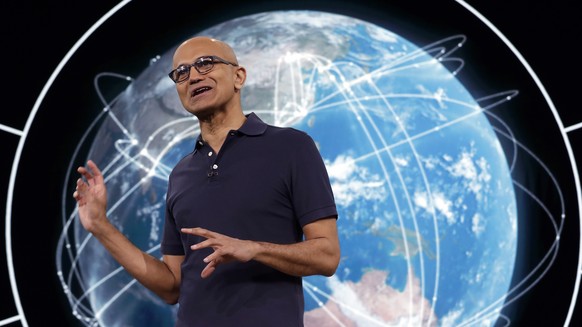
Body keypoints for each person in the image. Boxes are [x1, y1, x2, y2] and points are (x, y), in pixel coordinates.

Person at [73, 36, 340, 326]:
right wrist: (100, 226)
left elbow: (326, 256)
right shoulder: (180, 174)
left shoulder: (291, 146)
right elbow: (172, 286)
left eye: (205, 63)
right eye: (181, 72)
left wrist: (254, 249)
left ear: (238, 76)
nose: (193, 76)